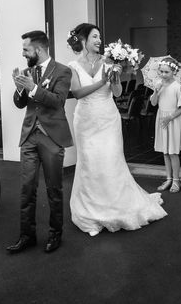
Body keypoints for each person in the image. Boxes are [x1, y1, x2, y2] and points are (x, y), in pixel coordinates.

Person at [67, 23, 166, 236]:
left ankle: (116, 206)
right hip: (85, 121)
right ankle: (91, 209)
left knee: (111, 160)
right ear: (83, 40)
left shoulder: (109, 61)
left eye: (100, 37)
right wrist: (102, 80)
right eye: (94, 37)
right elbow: (77, 93)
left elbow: (118, 92)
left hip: (107, 118)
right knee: (90, 163)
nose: (99, 41)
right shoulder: (72, 66)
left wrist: (114, 79)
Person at [7, 30, 73, 254]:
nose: (23, 53)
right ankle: (27, 236)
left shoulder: (63, 71)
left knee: (54, 188)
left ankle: (55, 234)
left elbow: (58, 102)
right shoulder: (27, 71)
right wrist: (19, 88)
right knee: (26, 189)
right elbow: (19, 104)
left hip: (52, 137)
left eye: (26, 49)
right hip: (29, 136)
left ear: (39, 49)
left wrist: (33, 88)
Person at [150, 57, 181, 193]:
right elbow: (154, 103)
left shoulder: (177, 87)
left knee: (173, 152)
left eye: (166, 72)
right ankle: (168, 178)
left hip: (173, 120)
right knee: (165, 152)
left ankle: (176, 180)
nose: (163, 74)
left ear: (174, 72)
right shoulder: (159, 85)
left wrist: (170, 117)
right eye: (161, 71)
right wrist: (156, 91)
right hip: (161, 119)